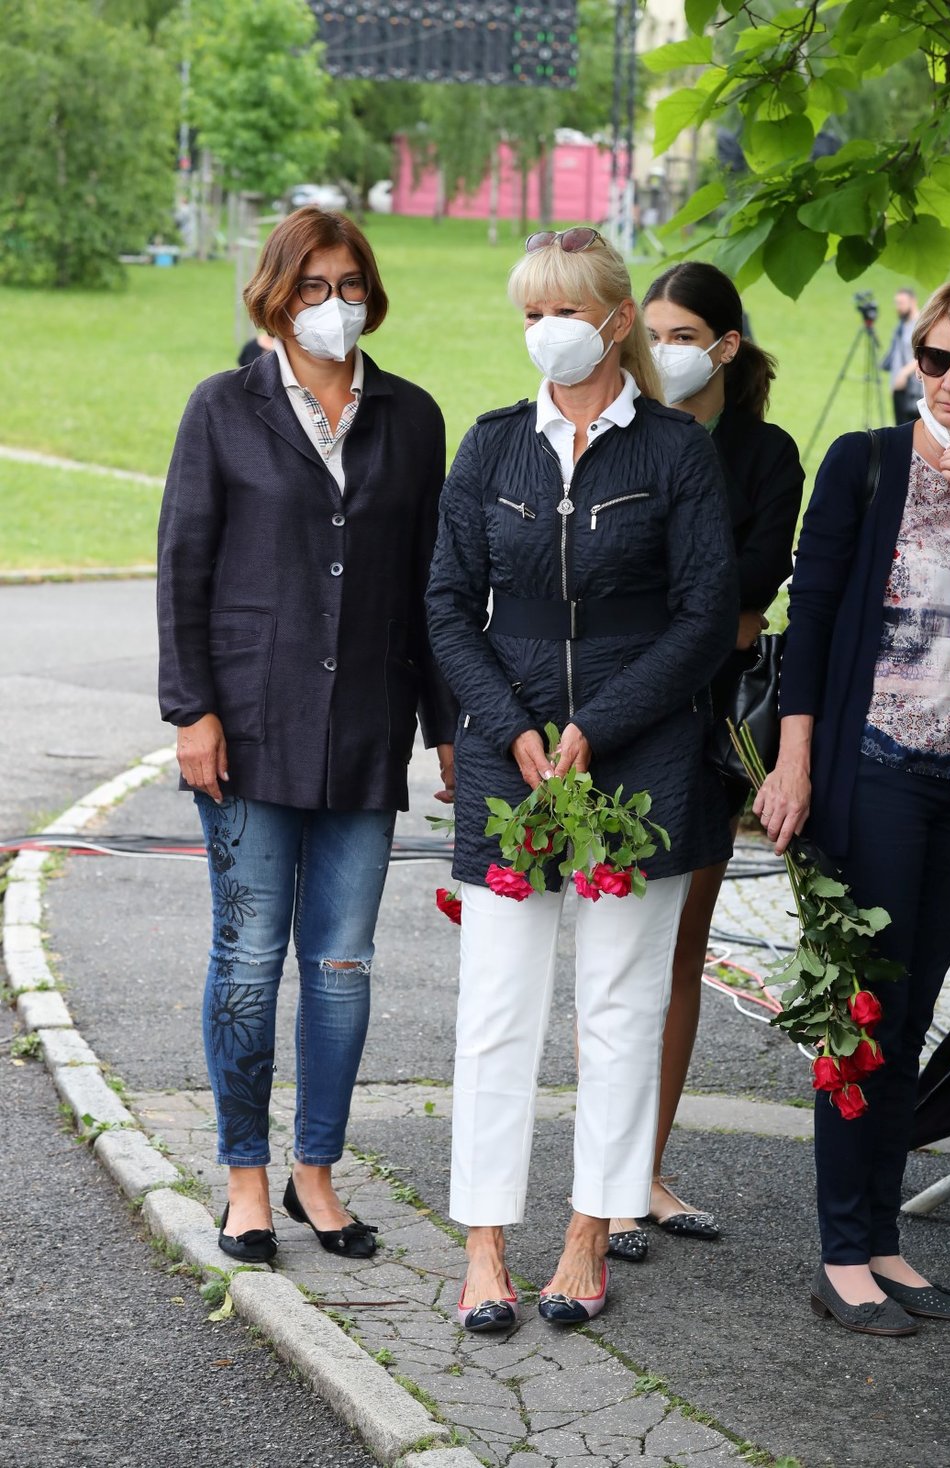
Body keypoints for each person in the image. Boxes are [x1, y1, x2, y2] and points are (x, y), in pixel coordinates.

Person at [425, 227, 738, 1329]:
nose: (542, 332)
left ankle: (589, 1235)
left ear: (612, 318)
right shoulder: (492, 445)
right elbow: (448, 606)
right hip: (510, 767)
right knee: (497, 1010)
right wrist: (509, 728)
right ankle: (483, 1250)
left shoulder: (674, 453)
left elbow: (705, 620)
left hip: (638, 763)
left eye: (560, 309)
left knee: (619, 1007)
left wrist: (597, 727)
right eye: (527, 312)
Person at [157, 207, 456, 1264]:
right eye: (314, 286)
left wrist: (448, 725)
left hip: (367, 736)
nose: (335, 303)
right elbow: (182, 567)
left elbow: (435, 590)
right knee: (247, 962)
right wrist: (189, 709)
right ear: (275, 299)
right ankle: (244, 1175)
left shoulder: (414, 420)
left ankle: (315, 1173)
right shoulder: (222, 411)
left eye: (350, 282)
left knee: (341, 966)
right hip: (244, 731)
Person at [755, 279, 950, 1335]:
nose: (948, 380)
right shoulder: (868, 461)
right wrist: (793, 763)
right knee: (863, 1014)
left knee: (916, 1013)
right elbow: (813, 616)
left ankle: (884, 1236)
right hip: (876, 769)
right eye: (934, 357)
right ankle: (843, 1252)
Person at [604, 262, 805, 1260]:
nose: (664, 348)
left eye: (686, 333)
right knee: (616, 957)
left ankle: (644, 1167)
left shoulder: (767, 455)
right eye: (656, 330)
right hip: (614, 715)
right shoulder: (622, 434)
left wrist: (683, 609)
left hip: (710, 723)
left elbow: (748, 595)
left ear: (724, 346)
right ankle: (603, 1175)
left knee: (679, 949)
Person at [881, 287, 924, 425]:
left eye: (901, 303)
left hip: (917, 391)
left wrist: (904, 373)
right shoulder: (901, 326)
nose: (898, 307)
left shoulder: (921, 325)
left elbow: (923, 353)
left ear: (913, 302)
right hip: (900, 389)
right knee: (900, 431)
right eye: (896, 303)